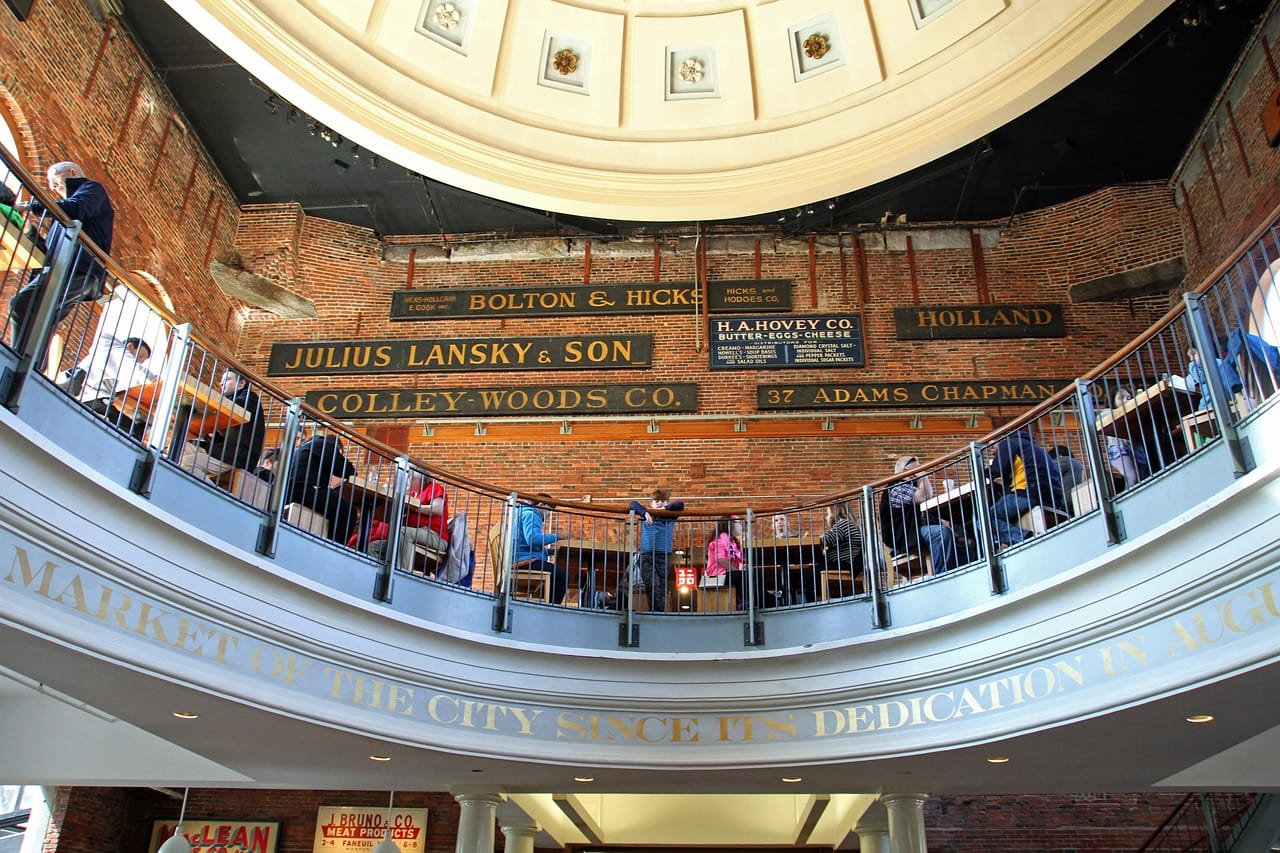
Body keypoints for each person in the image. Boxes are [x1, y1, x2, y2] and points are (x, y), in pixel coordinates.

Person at [7, 162, 114, 358]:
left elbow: (78, 208)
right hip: (68, 270)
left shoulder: (92, 189)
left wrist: (33, 206)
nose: (52, 187)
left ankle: (16, 357)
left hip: (80, 271)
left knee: (21, 303)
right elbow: (46, 251)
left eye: (54, 180)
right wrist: (29, 230)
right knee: (44, 319)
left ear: (72, 173)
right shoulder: (62, 217)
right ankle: (31, 367)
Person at [179, 369, 265, 481]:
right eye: (222, 380)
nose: (221, 383)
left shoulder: (249, 398)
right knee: (180, 445)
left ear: (241, 383)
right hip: (221, 450)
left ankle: (210, 496)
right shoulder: (229, 401)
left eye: (227, 379)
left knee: (188, 462)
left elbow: (236, 408)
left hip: (236, 455)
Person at [987, 428, 1065, 546]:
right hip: (1053, 498)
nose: (992, 451)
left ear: (1000, 439)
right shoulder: (1034, 449)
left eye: (992, 446)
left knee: (984, 519)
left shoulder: (1008, 444)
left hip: (1029, 494)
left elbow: (996, 470)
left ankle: (1025, 538)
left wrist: (980, 473)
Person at [879, 455, 956, 573]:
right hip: (903, 539)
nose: (920, 471)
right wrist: (923, 476)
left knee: (957, 533)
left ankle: (961, 570)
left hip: (914, 532)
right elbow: (925, 496)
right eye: (917, 469)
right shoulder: (896, 488)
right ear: (906, 471)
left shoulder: (912, 486)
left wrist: (941, 521)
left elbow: (924, 504)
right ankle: (942, 575)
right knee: (941, 533)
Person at [368, 472, 450, 571]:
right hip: (410, 535)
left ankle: (399, 572)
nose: (407, 481)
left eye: (410, 478)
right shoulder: (412, 495)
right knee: (373, 547)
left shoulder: (433, 487)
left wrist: (414, 508)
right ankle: (378, 573)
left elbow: (438, 509)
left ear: (420, 479)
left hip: (434, 535)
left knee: (403, 532)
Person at [285, 433, 356, 544]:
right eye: (339, 454)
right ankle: (336, 548)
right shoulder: (324, 444)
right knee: (347, 511)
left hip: (288, 490)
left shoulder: (308, 446)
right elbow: (347, 470)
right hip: (303, 489)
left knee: (332, 505)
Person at [82, 336, 154, 439]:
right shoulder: (118, 351)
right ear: (130, 346)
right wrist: (156, 381)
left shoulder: (108, 356)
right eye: (141, 356)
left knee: (133, 430)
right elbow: (134, 369)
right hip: (91, 397)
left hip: (90, 396)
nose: (139, 361)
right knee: (133, 432)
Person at [629, 488, 685, 613]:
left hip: (663, 556)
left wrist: (665, 509)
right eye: (656, 501)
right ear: (651, 503)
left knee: (661, 588)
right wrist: (645, 513)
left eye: (663, 500)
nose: (659, 503)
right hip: (647, 555)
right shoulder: (647, 513)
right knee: (652, 585)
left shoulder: (670, 515)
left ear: (667, 502)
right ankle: (655, 614)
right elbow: (632, 504)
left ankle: (657, 613)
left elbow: (680, 504)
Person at [512, 493, 568, 605]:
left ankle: (546, 603)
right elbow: (532, 539)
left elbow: (528, 545)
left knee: (555, 573)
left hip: (522, 558)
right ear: (541, 504)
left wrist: (549, 552)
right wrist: (557, 536)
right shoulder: (531, 515)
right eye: (548, 510)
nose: (548, 515)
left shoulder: (525, 513)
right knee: (562, 575)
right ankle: (552, 608)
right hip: (523, 561)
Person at [1105, 387, 1149, 488]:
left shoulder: (1135, 413)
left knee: (1141, 480)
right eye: (1121, 398)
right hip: (1119, 448)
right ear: (1112, 400)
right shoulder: (1107, 413)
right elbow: (1103, 419)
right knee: (1132, 477)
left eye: (1129, 397)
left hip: (1137, 448)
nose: (1125, 400)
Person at [820, 501, 863, 593]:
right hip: (850, 564)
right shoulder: (848, 524)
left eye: (827, 514)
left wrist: (818, 538)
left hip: (847, 564)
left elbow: (827, 539)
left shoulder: (844, 524)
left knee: (809, 574)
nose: (826, 517)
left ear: (834, 513)